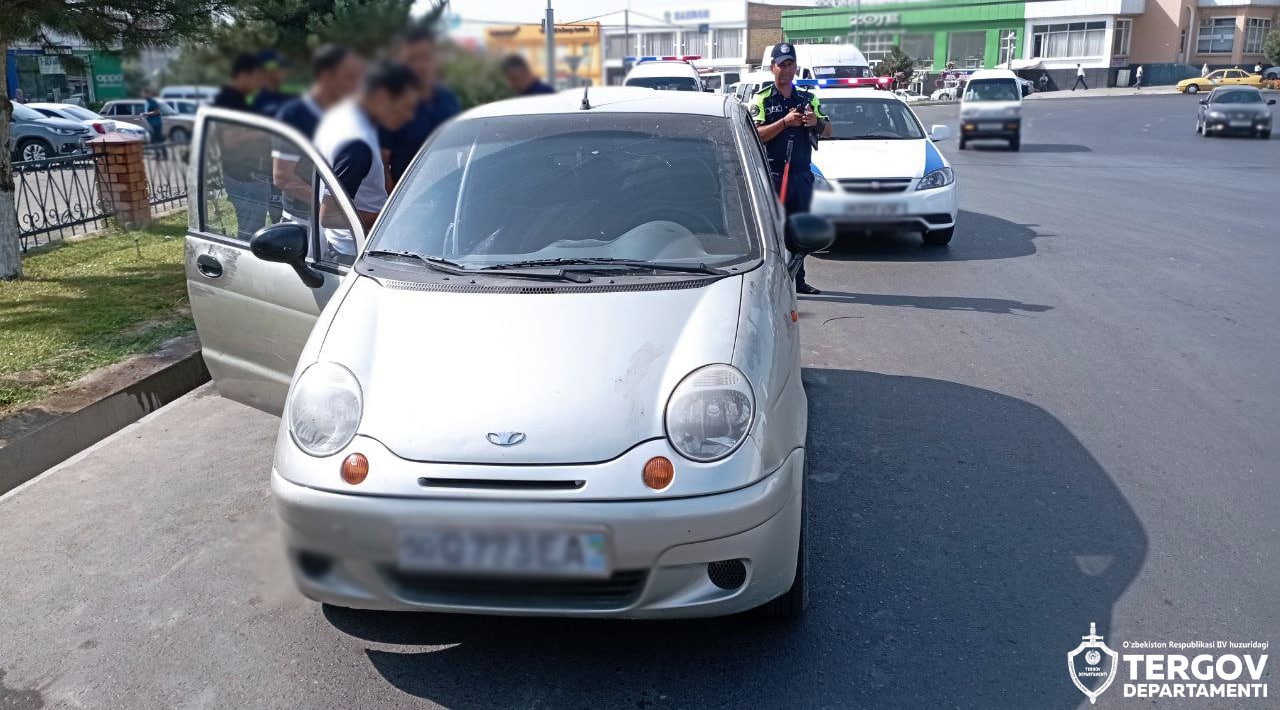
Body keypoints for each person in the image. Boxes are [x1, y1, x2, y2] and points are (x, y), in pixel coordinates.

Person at [313, 60, 420, 260]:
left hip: (343, 244)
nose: (408, 116)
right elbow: (329, 216)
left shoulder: (339, 119)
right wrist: (392, 220)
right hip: (353, 252)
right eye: (404, 106)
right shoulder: (357, 146)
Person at [751, 43, 832, 296]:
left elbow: (829, 130)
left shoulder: (808, 98)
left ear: (796, 67)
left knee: (800, 230)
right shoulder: (762, 98)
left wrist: (814, 121)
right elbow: (757, 135)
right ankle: (771, 280)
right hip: (772, 175)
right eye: (781, 65)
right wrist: (784, 123)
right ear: (773, 67)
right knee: (772, 230)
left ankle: (798, 280)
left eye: (790, 65)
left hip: (801, 175)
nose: (786, 70)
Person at [273, 44, 365, 225]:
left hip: (338, 220)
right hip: (302, 221)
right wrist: (337, 207)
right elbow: (282, 176)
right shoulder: (294, 114)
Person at [380, 26, 461, 190]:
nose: (420, 65)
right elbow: (383, 163)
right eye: (412, 59)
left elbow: (462, 147)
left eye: (425, 57)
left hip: (449, 189)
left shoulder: (448, 99)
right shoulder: (393, 104)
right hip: (409, 197)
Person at [212, 53, 270, 239]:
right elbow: (230, 139)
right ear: (244, 75)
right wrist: (267, 132)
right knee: (250, 233)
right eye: (257, 77)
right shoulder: (228, 100)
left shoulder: (242, 100)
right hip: (243, 178)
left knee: (256, 229)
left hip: (253, 176)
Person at [251, 49, 295, 117]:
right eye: (282, 67)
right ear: (270, 69)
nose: (285, 71)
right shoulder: (262, 105)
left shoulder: (288, 98)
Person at [141, 87, 167, 158]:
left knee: (158, 139)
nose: (144, 95)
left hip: (156, 123)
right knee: (153, 139)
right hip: (151, 123)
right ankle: (157, 154)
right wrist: (145, 114)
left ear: (149, 94)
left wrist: (147, 114)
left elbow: (157, 111)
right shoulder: (146, 102)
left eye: (146, 94)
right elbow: (148, 112)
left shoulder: (153, 102)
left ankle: (164, 154)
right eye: (143, 94)